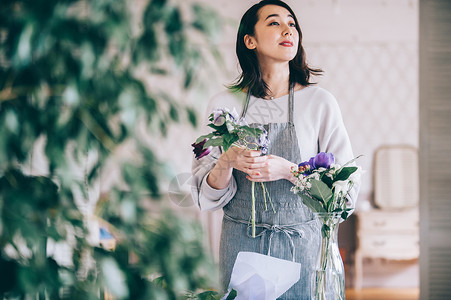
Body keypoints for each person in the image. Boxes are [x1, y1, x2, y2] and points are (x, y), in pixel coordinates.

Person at [191, 0, 358, 298]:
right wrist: (227, 160)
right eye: (274, 22)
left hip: (304, 248)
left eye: (292, 23)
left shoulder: (320, 103)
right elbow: (205, 196)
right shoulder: (223, 105)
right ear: (249, 40)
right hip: (242, 248)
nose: (287, 29)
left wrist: (289, 170)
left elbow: (344, 195)